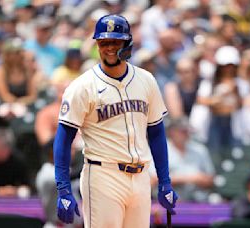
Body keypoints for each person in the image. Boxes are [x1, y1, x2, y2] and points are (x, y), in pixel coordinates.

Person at [53, 14, 178, 227]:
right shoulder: (82, 86)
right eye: (104, 42)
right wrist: (63, 188)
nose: (109, 47)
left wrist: (164, 181)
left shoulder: (146, 80)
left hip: (141, 176)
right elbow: (64, 139)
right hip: (103, 175)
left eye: (115, 41)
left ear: (128, 43)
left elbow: (156, 132)